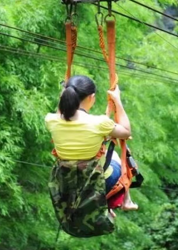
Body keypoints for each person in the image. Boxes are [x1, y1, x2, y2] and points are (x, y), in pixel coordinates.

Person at [45, 75, 138, 212]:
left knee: (101, 153)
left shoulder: (51, 120)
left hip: (68, 183)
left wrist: (63, 94)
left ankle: (106, 203)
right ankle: (126, 200)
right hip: (95, 183)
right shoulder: (99, 123)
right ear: (91, 97)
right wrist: (117, 100)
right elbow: (126, 132)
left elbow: (62, 113)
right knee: (115, 157)